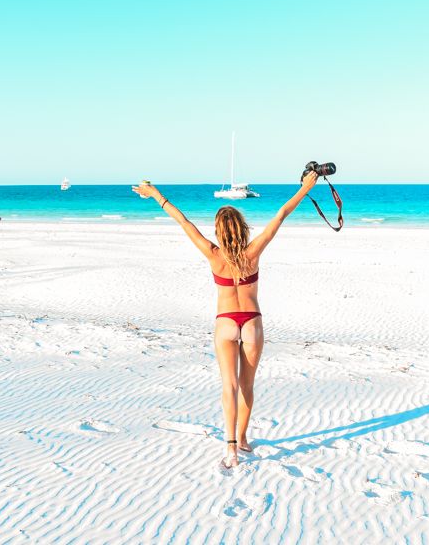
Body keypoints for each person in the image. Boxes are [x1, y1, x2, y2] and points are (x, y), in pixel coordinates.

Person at [132, 172, 318, 468]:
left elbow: (184, 223)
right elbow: (281, 215)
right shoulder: (252, 252)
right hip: (252, 321)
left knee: (228, 385)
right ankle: (243, 439)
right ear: (242, 228)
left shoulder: (213, 254)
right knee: (247, 385)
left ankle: (230, 447)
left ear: (219, 231)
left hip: (226, 322)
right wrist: (307, 188)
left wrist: (156, 195)